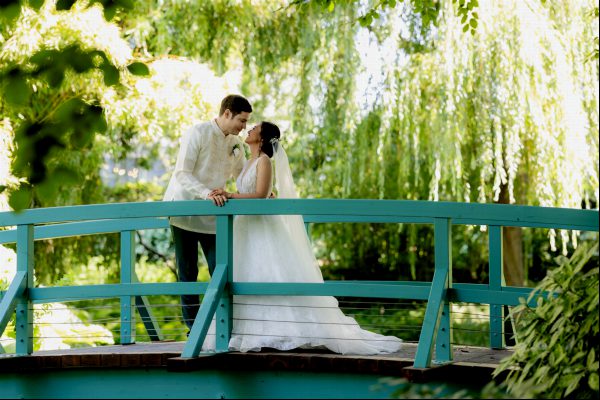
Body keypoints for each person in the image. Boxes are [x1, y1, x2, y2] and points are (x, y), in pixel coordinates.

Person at [206, 121, 402, 355]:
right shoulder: (249, 161)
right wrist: (227, 193)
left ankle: (280, 330)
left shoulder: (264, 161)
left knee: (270, 273)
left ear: (262, 137)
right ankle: (241, 330)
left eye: (255, 128)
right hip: (245, 227)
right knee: (245, 274)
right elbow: (259, 192)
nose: (249, 129)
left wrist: (230, 194)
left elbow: (260, 195)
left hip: (262, 227)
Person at [163, 94, 251, 332]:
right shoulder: (197, 132)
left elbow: (242, 177)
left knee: (220, 268)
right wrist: (207, 193)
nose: (244, 127)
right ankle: (193, 329)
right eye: (241, 121)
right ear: (227, 113)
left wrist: (260, 193)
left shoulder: (237, 144)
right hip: (185, 210)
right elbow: (182, 173)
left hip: (215, 216)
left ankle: (220, 327)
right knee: (188, 272)